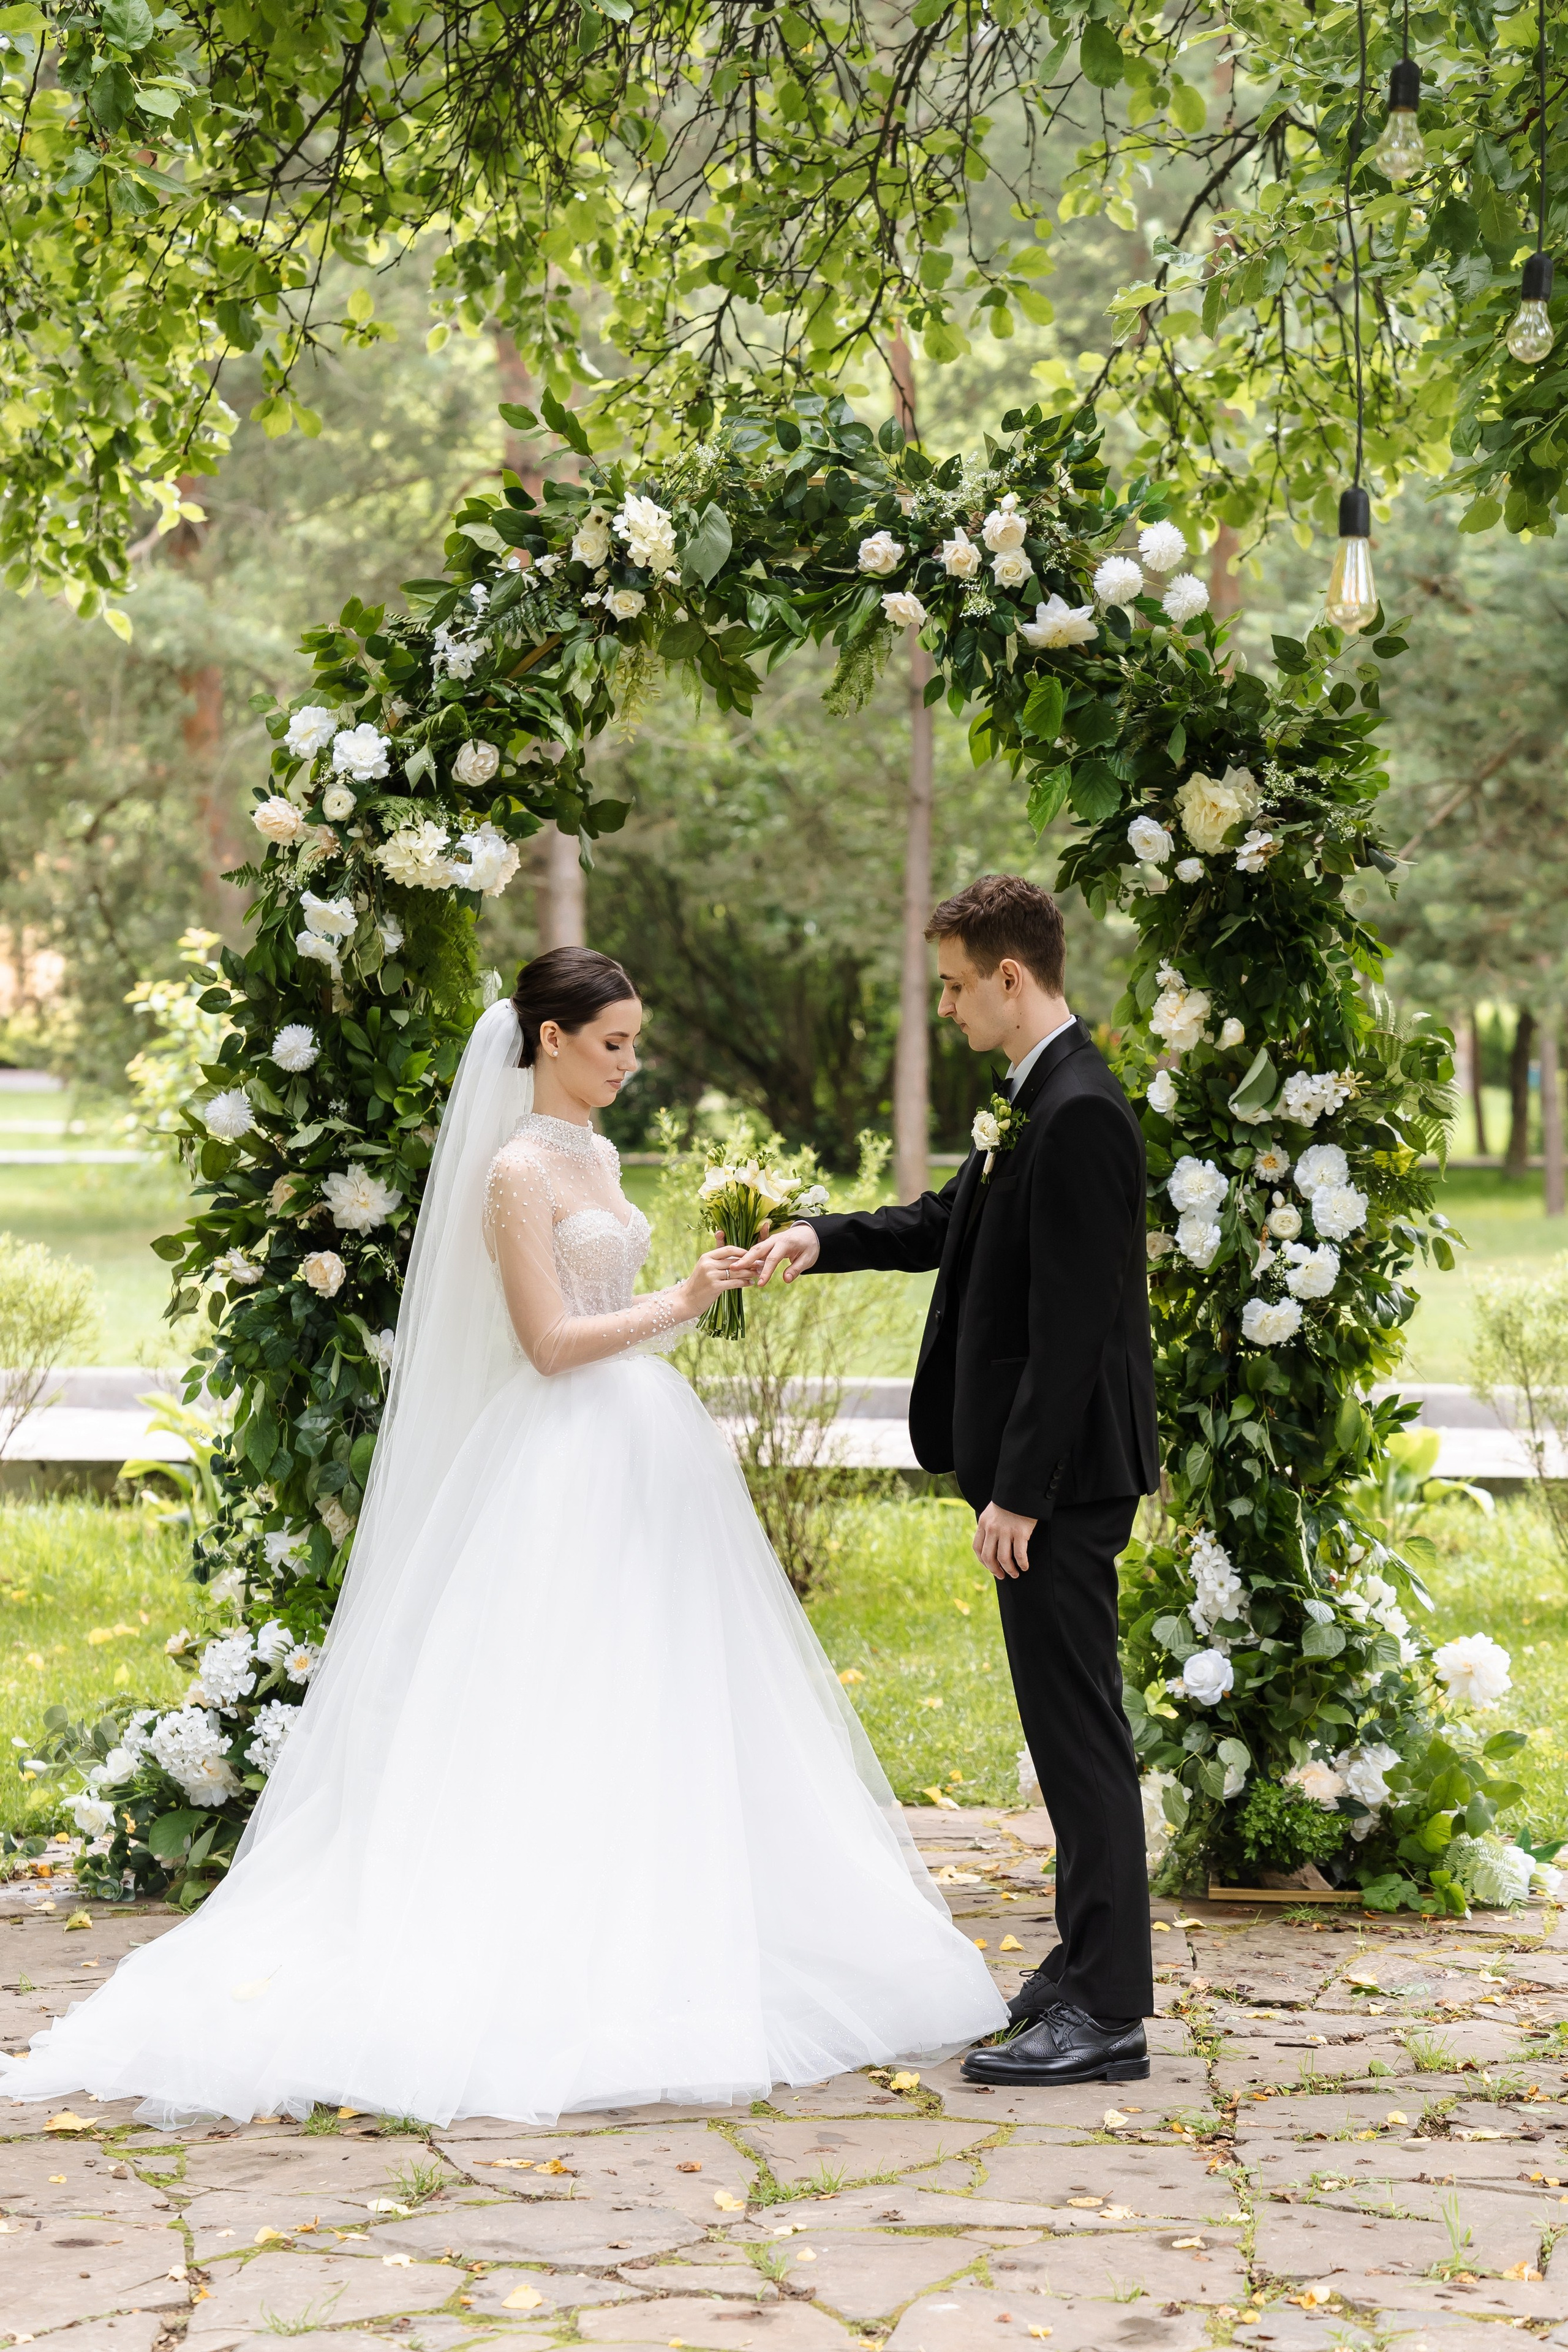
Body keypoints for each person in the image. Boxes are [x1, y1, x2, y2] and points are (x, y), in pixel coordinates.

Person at [0, 949, 1005, 2127]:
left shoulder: (598, 1154)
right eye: (614, 1043)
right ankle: (548, 1936)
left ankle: (675, 1916)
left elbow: (617, 1311)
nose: (630, 1064)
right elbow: (546, 1341)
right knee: (554, 1688)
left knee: (662, 1685)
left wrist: (697, 1292)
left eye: (635, 1042)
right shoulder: (517, 1170)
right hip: (561, 1453)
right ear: (550, 1041)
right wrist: (676, 1303)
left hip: (644, 1446)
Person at [747, 875, 1159, 2088]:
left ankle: (1108, 2011)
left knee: (1077, 1735)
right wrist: (817, 1237)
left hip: (1066, 1482)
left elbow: (1075, 1326)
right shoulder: (1035, 1103)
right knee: (1062, 1724)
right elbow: (949, 1224)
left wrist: (1019, 1492)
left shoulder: (1078, 1113)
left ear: (1010, 979)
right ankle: (1082, 1966)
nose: (945, 1004)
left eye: (952, 984)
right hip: (1053, 1474)